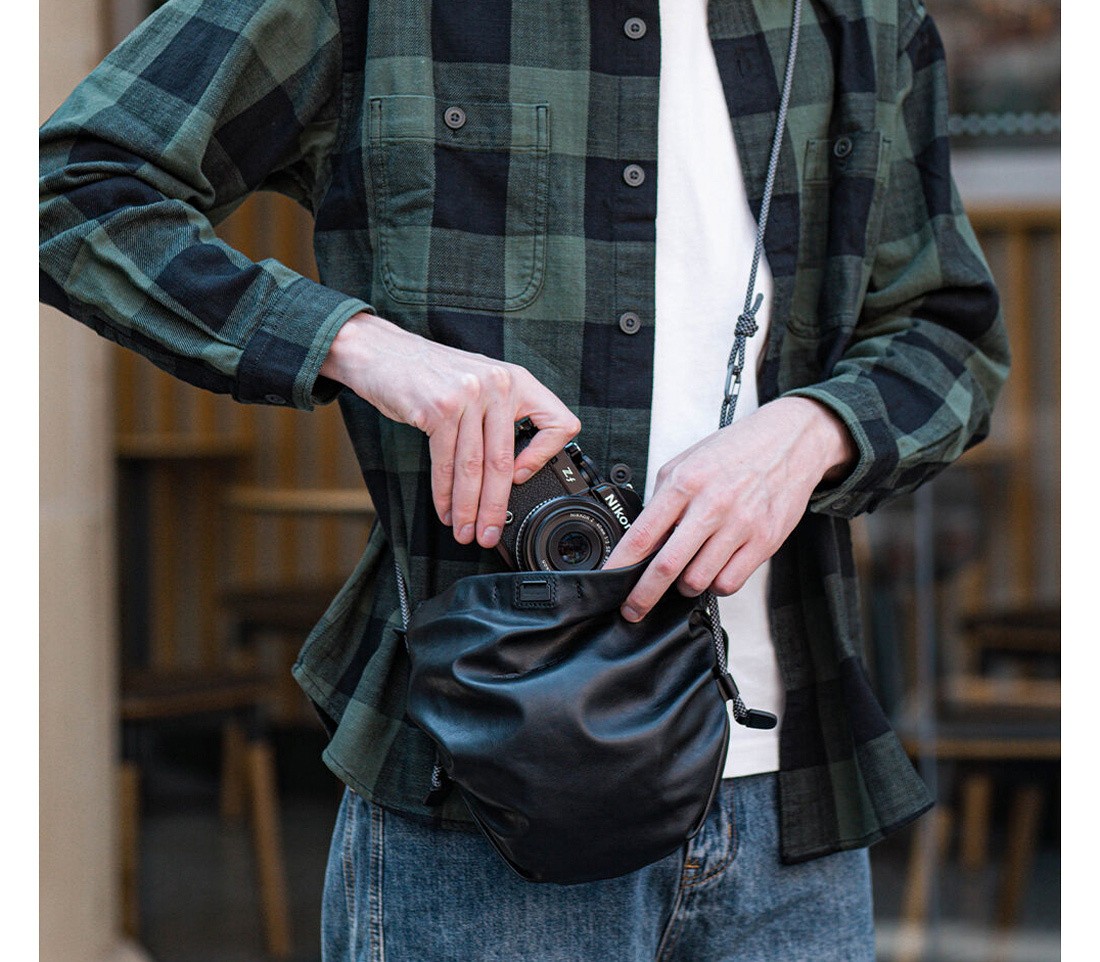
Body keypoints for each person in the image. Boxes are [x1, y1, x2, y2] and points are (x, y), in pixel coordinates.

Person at [40, 0, 1009, 958]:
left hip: (793, 813)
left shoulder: (865, 17)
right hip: (477, 809)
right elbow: (74, 187)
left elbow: (946, 329)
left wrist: (812, 431)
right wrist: (359, 345)